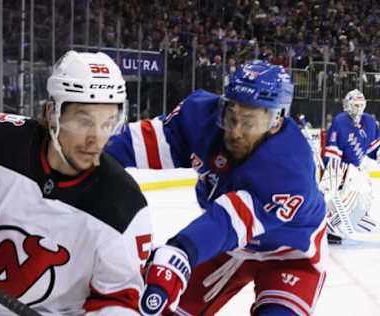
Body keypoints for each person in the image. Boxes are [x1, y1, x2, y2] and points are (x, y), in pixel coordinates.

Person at [0, 50, 153, 315]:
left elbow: (120, 300)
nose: (97, 138)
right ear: (52, 113)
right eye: (83, 120)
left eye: (108, 123)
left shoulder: (125, 205)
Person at [106, 60, 327, 316]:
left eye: (249, 122)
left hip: (289, 254)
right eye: (230, 117)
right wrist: (88, 153)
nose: (235, 132)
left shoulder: (291, 169)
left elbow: (228, 222)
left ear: (275, 121)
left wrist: (181, 251)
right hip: (227, 248)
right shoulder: (203, 119)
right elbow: (139, 144)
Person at [321, 89, 380, 244]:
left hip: (356, 166)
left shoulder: (370, 122)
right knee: (328, 195)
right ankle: (325, 224)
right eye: (355, 105)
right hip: (339, 163)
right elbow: (333, 151)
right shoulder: (340, 121)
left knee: (364, 193)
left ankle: (357, 221)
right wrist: (334, 178)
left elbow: (374, 149)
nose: (358, 109)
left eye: (361, 105)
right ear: (347, 105)